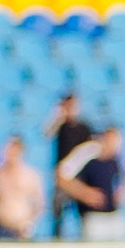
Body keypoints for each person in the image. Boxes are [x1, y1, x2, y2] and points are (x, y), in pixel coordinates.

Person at [58, 126, 125, 240]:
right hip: (94, 217)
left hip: (114, 215)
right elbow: (61, 175)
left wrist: (122, 192)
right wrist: (84, 193)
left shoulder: (118, 159)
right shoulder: (89, 152)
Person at [44, 93, 91, 237]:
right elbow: (46, 133)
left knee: (83, 213)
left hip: (79, 177)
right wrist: (57, 114)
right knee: (58, 213)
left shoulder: (84, 127)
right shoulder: (61, 126)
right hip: (62, 177)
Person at [0, 138, 43, 241]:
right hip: (2, 228)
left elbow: (39, 203)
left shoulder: (30, 176)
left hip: (22, 229)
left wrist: (29, 224)